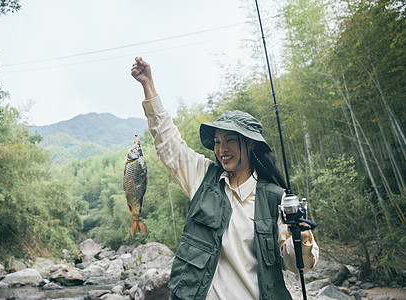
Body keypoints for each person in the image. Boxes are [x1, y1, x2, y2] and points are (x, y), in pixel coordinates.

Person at [131, 57, 319, 300]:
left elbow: (295, 264)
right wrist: (148, 86)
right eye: (218, 142)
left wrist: (302, 239)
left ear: (250, 144)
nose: (222, 149)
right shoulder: (202, 176)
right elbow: (169, 144)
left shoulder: (276, 198)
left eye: (230, 140)